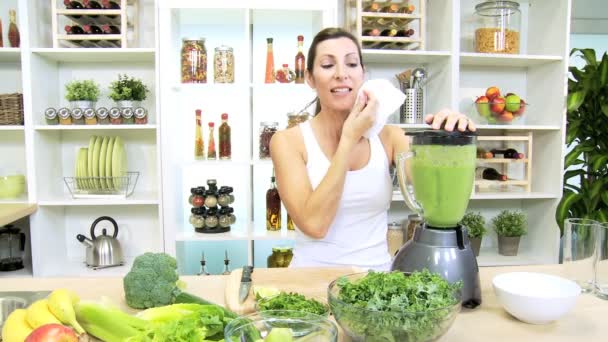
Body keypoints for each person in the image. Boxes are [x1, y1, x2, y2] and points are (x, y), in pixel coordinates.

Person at [270, 28, 476, 270]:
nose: (341, 74)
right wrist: (348, 139)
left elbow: (441, 195)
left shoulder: (390, 137)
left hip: (376, 284)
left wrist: (451, 139)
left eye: (351, 64)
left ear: (363, 74)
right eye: (327, 65)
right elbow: (315, 225)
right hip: (310, 283)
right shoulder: (287, 141)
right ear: (310, 79)